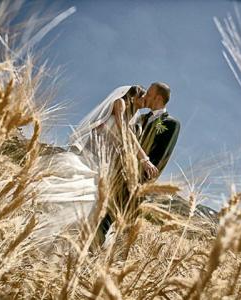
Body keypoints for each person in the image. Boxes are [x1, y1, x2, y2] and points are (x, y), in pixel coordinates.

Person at [34, 85, 158, 239]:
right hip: (95, 154)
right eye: (143, 97)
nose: (146, 102)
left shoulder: (134, 117)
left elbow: (124, 137)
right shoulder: (120, 103)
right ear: (134, 96)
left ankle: (68, 236)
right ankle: (42, 221)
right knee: (80, 189)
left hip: (107, 160)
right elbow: (123, 130)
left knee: (93, 198)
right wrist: (143, 158)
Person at [136, 82, 180, 182]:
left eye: (149, 94)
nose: (145, 96)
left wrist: (143, 181)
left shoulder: (171, 123)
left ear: (158, 99)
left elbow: (162, 155)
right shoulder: (141, 118)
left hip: (140, 179)